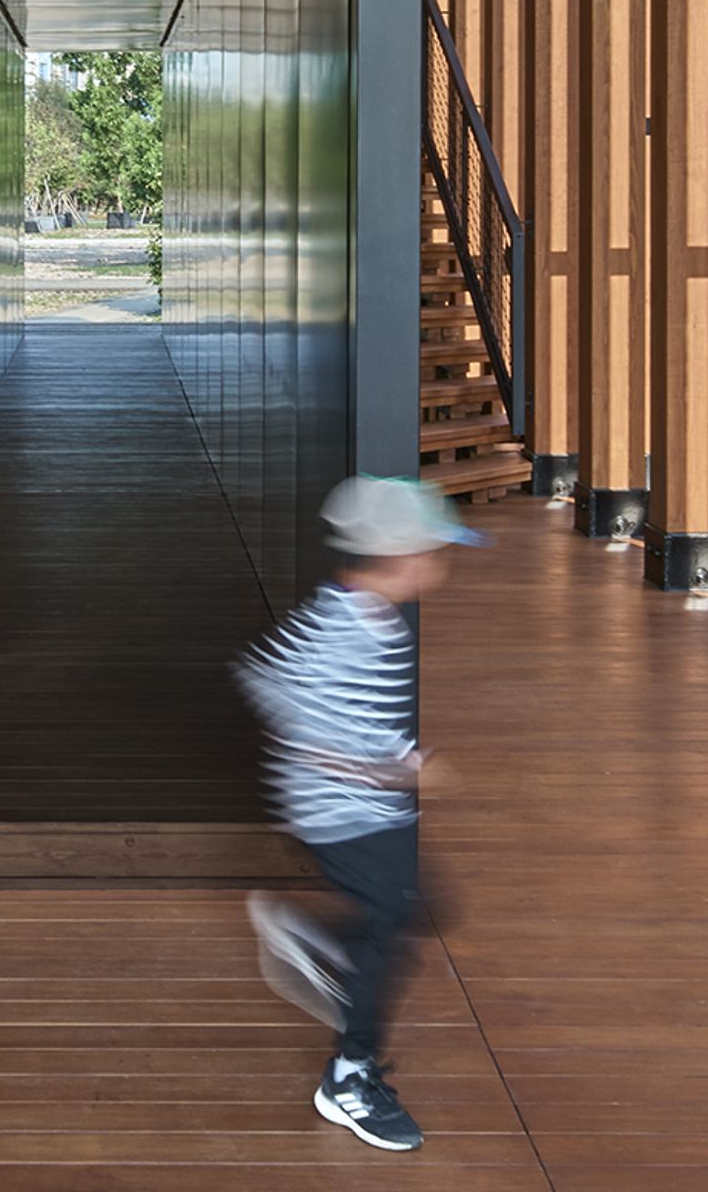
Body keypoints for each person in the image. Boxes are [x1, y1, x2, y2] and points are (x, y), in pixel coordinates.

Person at [235, 473, 483, 1155]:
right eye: (435, 551)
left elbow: (324, 701)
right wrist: (399, 770)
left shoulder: (366, 617)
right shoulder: (346, 629)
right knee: (386, 932)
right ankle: (349, 1077)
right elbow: (283, 693)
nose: (440, 564)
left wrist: (397, 757)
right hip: (341, 813)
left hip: (370, 805)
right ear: (401, 556)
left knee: (418, 907)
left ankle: (314, 937)